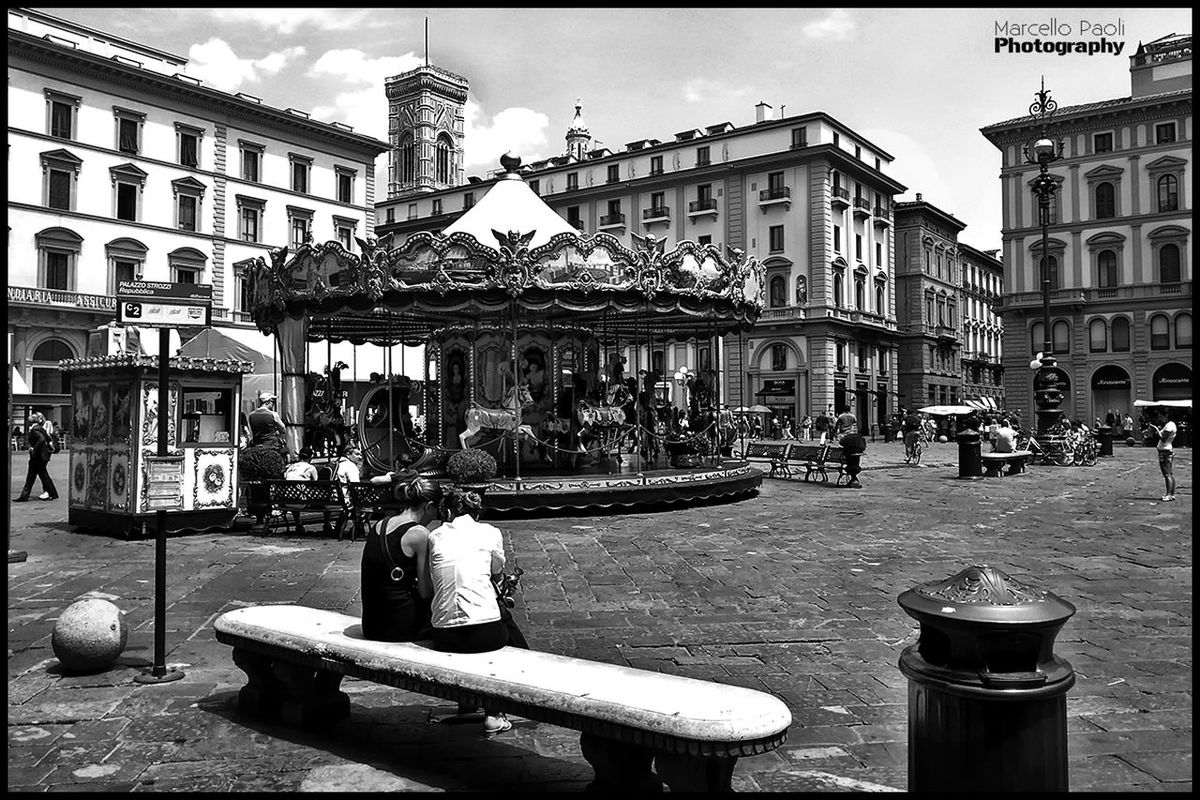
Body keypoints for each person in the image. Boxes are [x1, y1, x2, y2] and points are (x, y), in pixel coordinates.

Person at [427, 485, 529, 736]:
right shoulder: (489, 532)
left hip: (444, 635)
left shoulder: (436, 536)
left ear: (449, 511)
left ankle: (468, 700)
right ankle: (494, 711)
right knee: (503, 623)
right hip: (485, 633)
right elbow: (497, 571)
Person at [361, 473, 442, 643]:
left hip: (371, 624)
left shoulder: (380, 524)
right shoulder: (419, 534)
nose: (435, 517)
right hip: (399, 626)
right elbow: (425, 591)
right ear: (428, 506)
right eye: (436, 510)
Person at [15, 413, 58, 501]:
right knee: (35, 475)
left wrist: (34, 448)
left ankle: (25, 496)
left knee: (39, 475)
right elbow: (47, 438)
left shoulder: (35, 429)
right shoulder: (40, 428)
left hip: (37, 456)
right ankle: (25, 495)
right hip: (41, 456)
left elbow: (41, 439)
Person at [1147, 408, 1177, 501]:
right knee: (1169, 473)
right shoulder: (1171, 425)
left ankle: (1169, 494)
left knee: (1167, 474)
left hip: (1165, 451)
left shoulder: (1169, 426)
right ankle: (1171, 493)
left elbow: (1163, 438)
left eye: (1161, 416)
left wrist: (1156, 429)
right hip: (1166, 450)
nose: (1160, 418)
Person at [248, 391, 288, 458]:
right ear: (267, 402)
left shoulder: (251, 415)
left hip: (257, 446)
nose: (273, 404)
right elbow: (283, 429)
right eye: (272, 402)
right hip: (271, 447)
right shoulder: (273, 414)